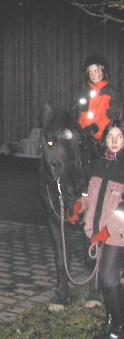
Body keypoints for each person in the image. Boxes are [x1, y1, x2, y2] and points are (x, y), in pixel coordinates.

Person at [68, 120, 124, 339]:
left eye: (119, 136)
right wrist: (79, 206)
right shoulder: (97, 165)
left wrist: (107, 232)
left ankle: (118, 326)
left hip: (117, 234)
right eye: (110, 136)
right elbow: (89, 195)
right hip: (95, 231)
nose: (114, 141)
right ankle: (112, 318)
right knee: (103, 278)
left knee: (108, 278)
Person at [76, 54, 122, 142]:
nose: (93, 74)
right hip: (87, 138)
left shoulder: (112, 92)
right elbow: (80, 114)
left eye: (96, 71)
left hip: (105, 139)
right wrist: (80, 126)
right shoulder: (85, 94)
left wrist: (94, 128)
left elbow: (113, 118)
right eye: (90, 72)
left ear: (103, 71)